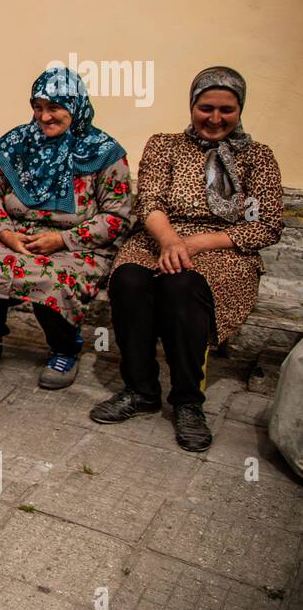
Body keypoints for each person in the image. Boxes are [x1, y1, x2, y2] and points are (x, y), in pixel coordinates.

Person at [91, 66, 283, 451]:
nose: (215, 118)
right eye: (206, 107)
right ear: (192, 105)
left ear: (240, 109)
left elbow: (267, 225)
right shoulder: (165, 146)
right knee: (129, 281)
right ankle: (140, 389)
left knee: (182, 286)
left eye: (226, 109)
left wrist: (195, 244)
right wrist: (170, 241)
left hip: (223, 248)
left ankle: (188, 401)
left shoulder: (257, 157)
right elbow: (151, 203)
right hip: (159, 236)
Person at [0, 68, 132, 389]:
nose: (44, 116)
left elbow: (117, 216)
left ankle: (65, 350)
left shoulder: (104, 153)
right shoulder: (15, 145)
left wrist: (62, 239)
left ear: (75, 106)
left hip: (75, 245)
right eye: (38, 107)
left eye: (54, 107)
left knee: (53, 279)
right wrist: (5, 234)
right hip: (11, 235)